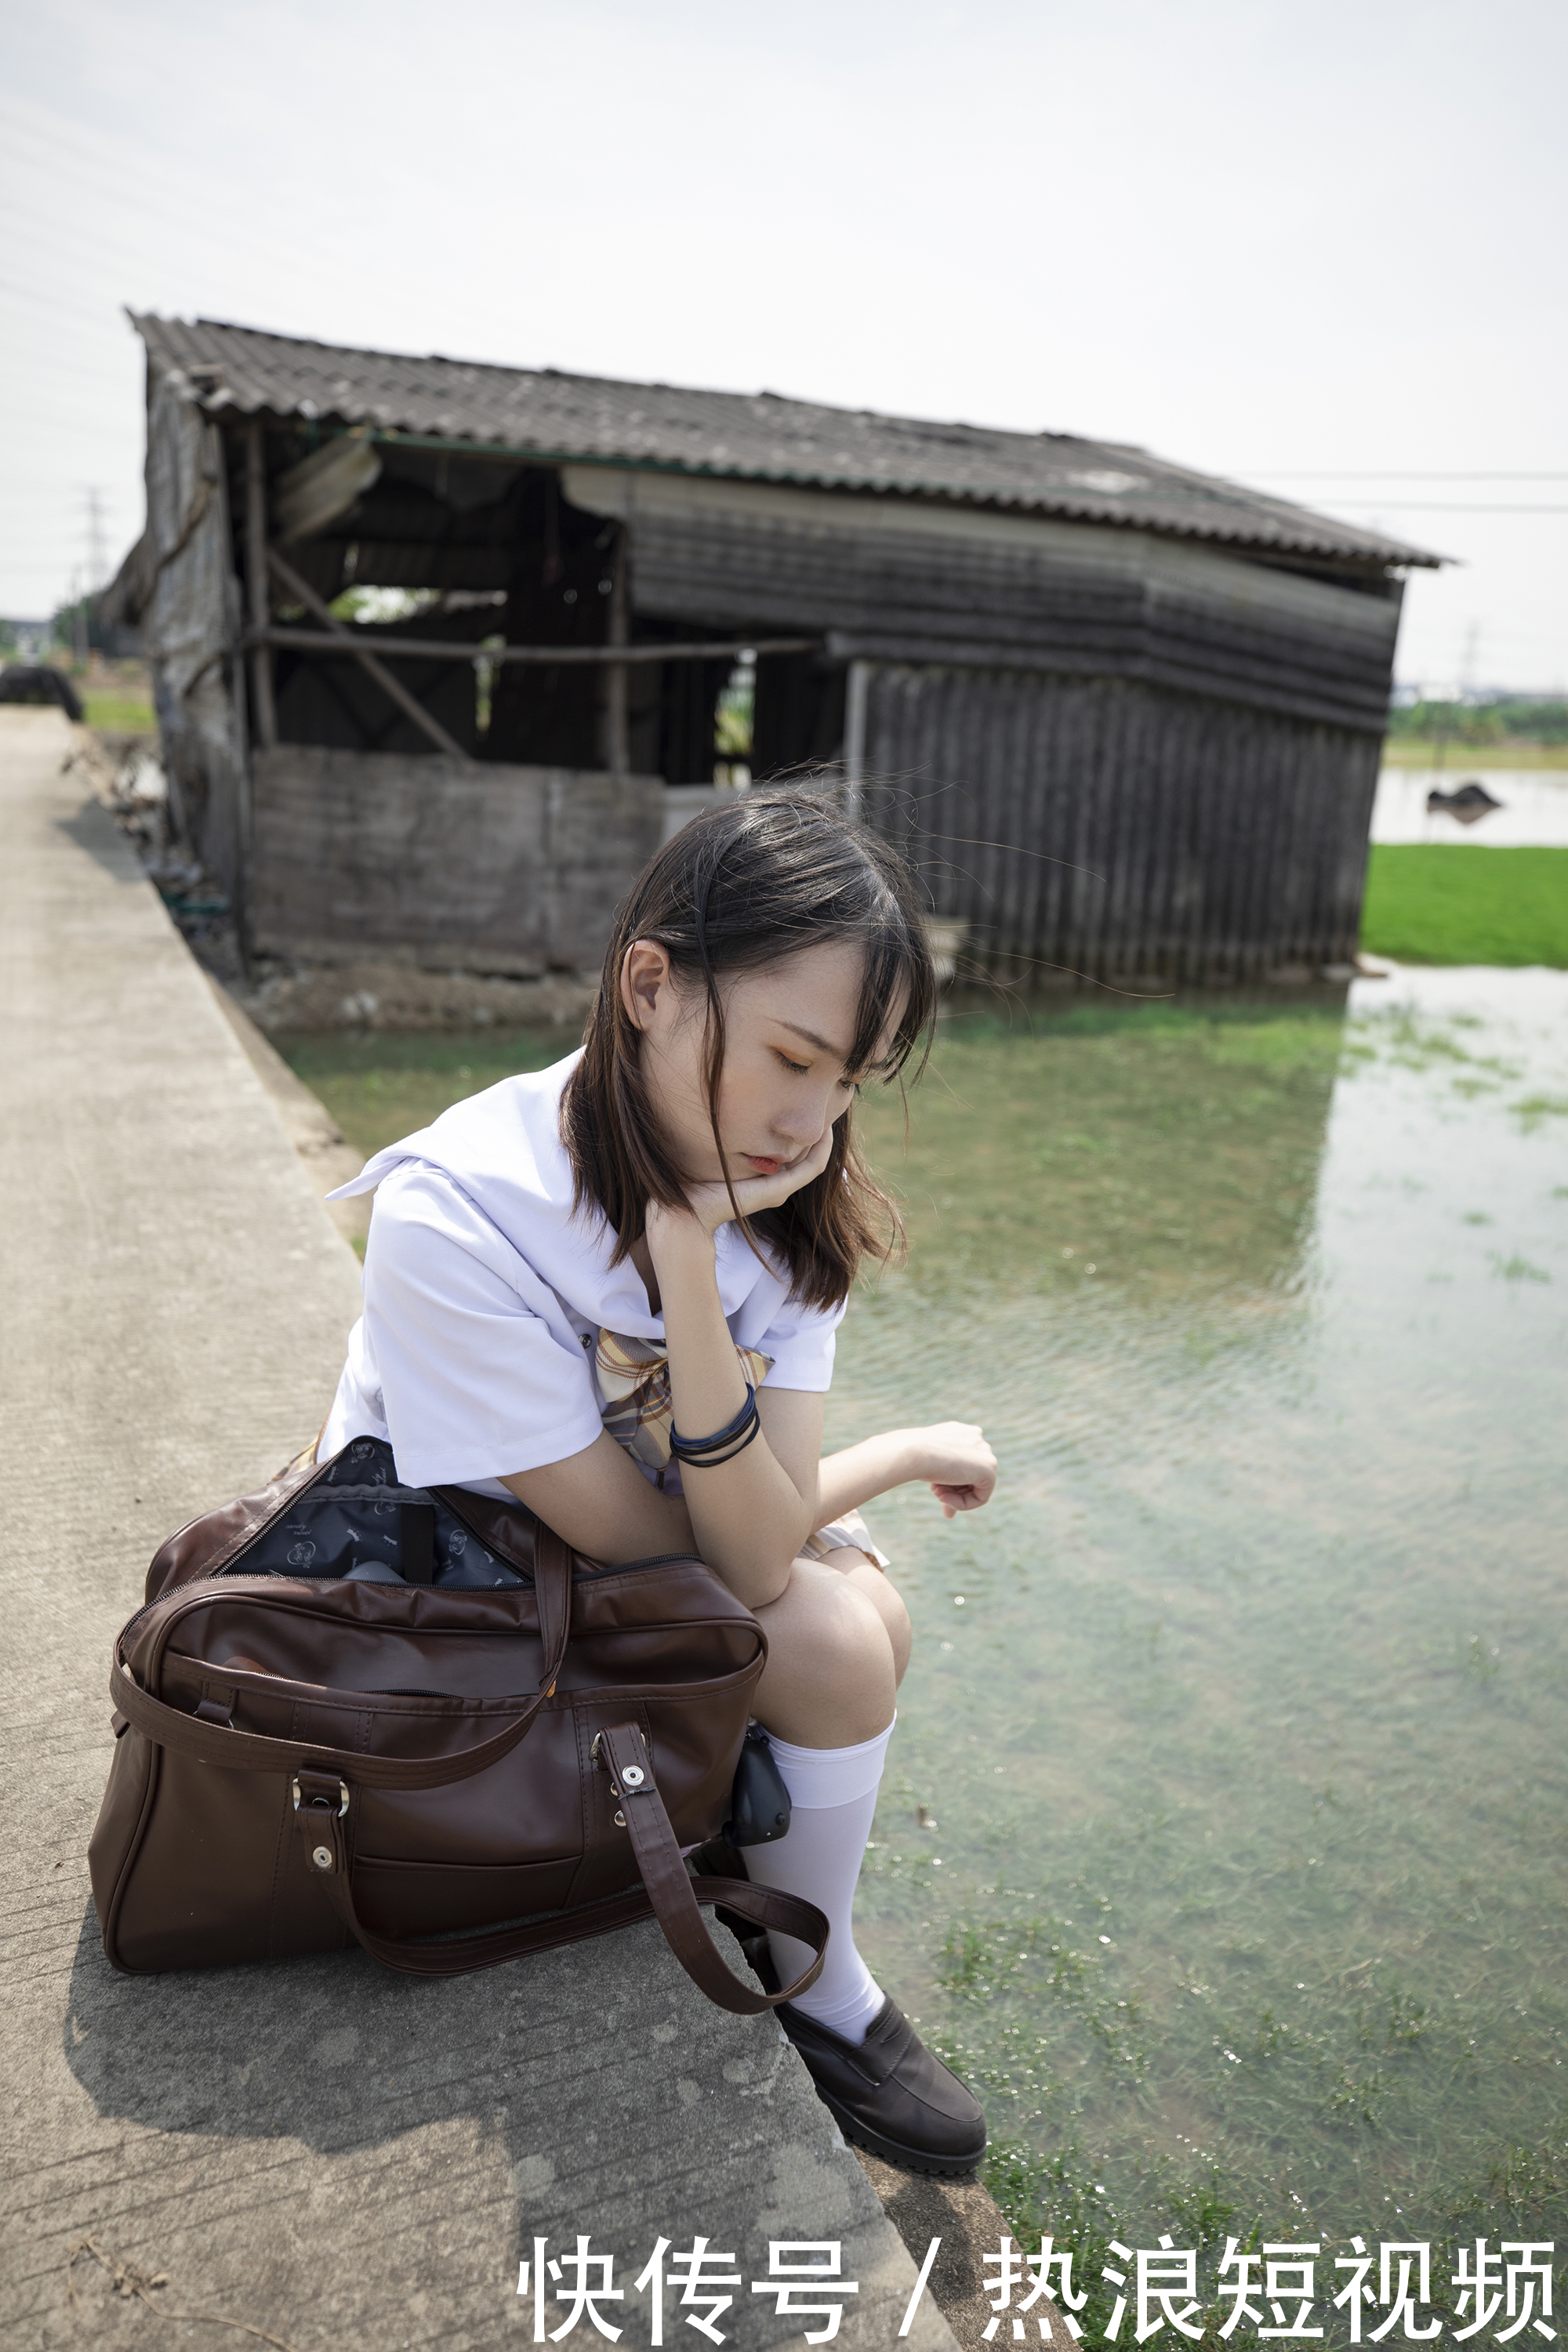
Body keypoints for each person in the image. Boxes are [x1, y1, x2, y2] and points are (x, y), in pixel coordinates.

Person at [322, 785, 998, 2175]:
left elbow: (751, 1527)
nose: (810, 1118)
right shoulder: (457, 1210)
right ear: (650, 986)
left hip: (626, 1537)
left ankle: (763, 1886)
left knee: (871, 1607)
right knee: (821, 1630)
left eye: (850, 1077)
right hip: (449, 1567)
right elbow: (671, 1543)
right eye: (791, 1056)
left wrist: (691, 1257)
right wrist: (905, 1450)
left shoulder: (790, 1202)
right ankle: (815, 1974)